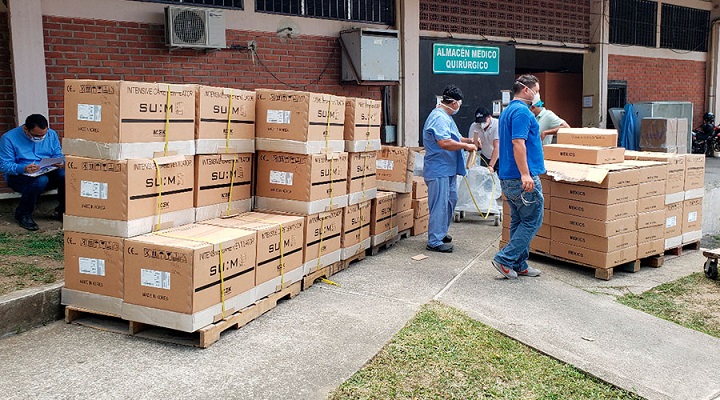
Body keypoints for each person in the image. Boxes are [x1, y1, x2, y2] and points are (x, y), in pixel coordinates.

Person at [492, 75, 545, 278]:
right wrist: (525, 174)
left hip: (508, 176)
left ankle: (519, 263)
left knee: (519, 220)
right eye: (536, 90)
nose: (538, 95)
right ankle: (505, 259)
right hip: (520, 177)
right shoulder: (522, 112)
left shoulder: (508, 111)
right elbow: (518, 143)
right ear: (526, 90)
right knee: (533, 220)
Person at [422, 85, 477, 253]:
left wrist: (469, 142)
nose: (459, 107)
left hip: (449, 169)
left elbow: (455, 137)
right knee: (439, 204)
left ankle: (441, 231)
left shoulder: (447, 116)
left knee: (450, 200)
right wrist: (466, 147)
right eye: (458, 104)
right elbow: (444, 142)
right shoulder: (438, 117)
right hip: (439, 169)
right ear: (453, 103)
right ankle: (434, 240)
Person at [0, 114, 65, 231]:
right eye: (36, 135)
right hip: (18, 176)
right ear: (25, 129)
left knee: (64, 175)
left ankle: (62, 210)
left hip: (46, 170)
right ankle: (23, 214)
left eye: (43, 135)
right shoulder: (8, 138)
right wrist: (23, 168)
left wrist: (59, 161)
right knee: (41, 180)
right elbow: (5, 166)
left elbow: (58, 153)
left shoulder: (51, 134)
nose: (40, 138)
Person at [468, 107, 499, 173]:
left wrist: (491, 166)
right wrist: (472, 162)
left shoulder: (497, 124)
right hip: (485, 155)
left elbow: (497, 146)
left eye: (483, 121)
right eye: (479, 122)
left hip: (499, 156)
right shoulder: (474, 126)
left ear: (489, 117)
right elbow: (472, 145)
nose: (481, 124)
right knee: (485, 178)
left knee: (500, 179)